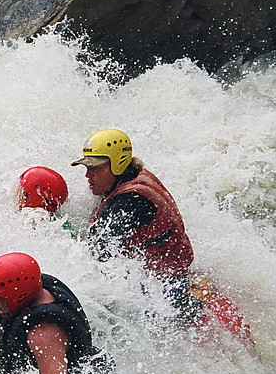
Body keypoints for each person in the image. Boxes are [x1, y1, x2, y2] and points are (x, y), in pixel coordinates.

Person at [72, 128, 199, 321]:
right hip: (169, 272)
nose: (88, 175)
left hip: (165, 287)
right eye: (87, 168)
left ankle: (189, 311)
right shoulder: (132, 175)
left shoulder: (127, 202)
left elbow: (97, 258)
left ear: (117, 164)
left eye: (95, 168)